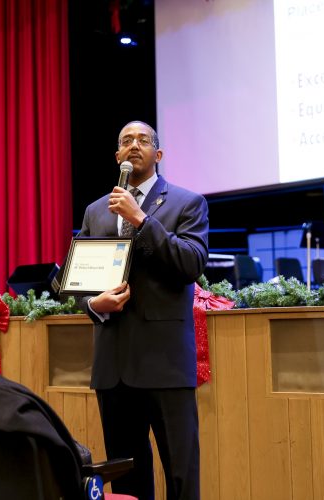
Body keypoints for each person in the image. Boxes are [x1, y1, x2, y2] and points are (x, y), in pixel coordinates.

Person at [77, 121, 209, 500]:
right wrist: (92, 304)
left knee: (181, 474)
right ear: (117, 155)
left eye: (143, 140)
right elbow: (78, 280)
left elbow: (190, 264)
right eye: (125, 141)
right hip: (114, 366)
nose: (134, 145)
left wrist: (141, 219)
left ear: (158, 155)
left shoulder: (188, 203)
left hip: (165, 363)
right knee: (129, 481)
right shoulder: (95, 211)